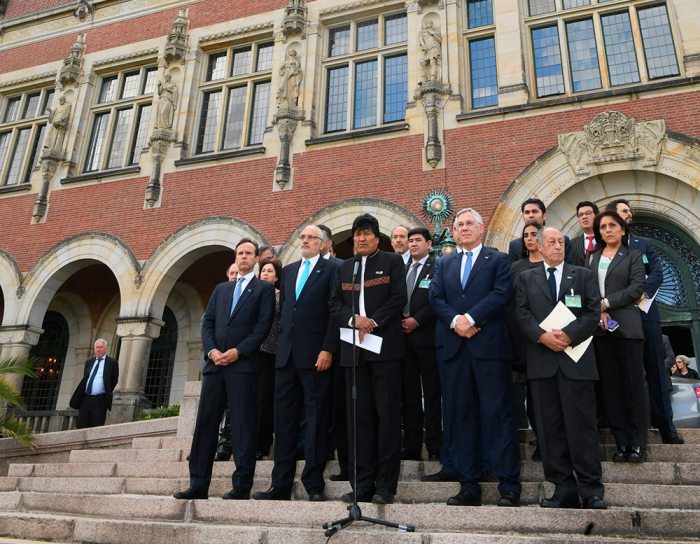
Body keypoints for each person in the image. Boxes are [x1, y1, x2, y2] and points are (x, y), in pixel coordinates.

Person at [429, 207, 521, 507]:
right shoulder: (444, 263)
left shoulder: (498, 259)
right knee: (460, 416)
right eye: (460, 225)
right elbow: (435, 298)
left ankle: (508, 485)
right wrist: (456, 321)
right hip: (454, 350)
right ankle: (468, 484)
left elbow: (501, 293)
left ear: (481, 229)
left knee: (498, 415)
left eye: (470, 223)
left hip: (489, 349)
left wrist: (470, 318)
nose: (464, 228)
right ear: (454, 232)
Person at [174, 239, 275, 500]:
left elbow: (262, 327)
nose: (244, 257)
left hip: (243, 367)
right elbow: (207, 323)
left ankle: (241, 486)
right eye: (240, 253)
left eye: (248, 253)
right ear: (235, 257)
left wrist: (238, 351)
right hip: (215, 366)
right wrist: (212, 351)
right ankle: (198, 484)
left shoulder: (263, 289)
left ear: (256, 259)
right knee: (206, 424)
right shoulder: (221, 289)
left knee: (242, 425)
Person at [515, 227, 606, 509]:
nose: (558, 246)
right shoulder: (526, 278)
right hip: (542, 364)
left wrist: (568, 335)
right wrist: (542, 336)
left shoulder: (584, 275)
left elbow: (593, 312)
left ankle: (591, 490)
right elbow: (521, 313)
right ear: (540, 247)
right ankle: (563, 488)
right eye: (552, 242)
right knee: (550, 429)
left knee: (582, 428)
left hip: (576, 362)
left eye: (561, 242)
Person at [254, 225, 339, 502]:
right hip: (286, 357)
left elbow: (334, 312)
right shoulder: (288, 271)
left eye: (311, 238)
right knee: (284, 422)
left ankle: (313, 483)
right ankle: (280, 484)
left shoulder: (333, 269)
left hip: (316, 357)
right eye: (303, 237)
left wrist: (328, 348)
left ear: (323, 244)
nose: (305, 241)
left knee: (315, 420)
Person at [329, 213, 407, 505]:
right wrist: (354, 320)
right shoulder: (344, 268)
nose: (361, 239)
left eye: (366, 234)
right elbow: (334, 303)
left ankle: (386, 486)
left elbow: (398, 298)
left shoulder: (392, 262)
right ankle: (362, 483)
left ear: (377, 237)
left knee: (387, 418)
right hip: (354, 353)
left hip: (385, 350)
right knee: (358, 420)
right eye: (357, 234)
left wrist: (371, 322)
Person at [607, 199, 683, 444]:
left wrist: (638, 294)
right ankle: (632, 428)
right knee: (625, 373)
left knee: (656, 370)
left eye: (629, 211)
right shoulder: (605, 250)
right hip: (620, 318)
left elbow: (657, 274)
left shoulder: (644, 244)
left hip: (646, 313)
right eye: (624, 211)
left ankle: (666, 427)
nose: (629, 214)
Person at [587, 211, 648, 463]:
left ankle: (638, 443)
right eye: (603, 227)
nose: (607, 230)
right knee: (610, 388)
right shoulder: (592, 258)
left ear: (622, 229)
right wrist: (598, 310)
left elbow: (636, 289)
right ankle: (621, 442)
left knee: (633, 386)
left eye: (612, 225)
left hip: (627, 329)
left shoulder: (633, 256)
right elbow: (588, 289)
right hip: (601, 330)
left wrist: (606, 303)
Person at [400, 227, 440, 461]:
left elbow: (437, 300)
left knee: (432, 394)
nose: (413, 244)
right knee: (410, 396)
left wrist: (417, 320)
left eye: (417, 240)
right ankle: (412, 448)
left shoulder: (437, 267)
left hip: (427, 339)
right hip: (404, 341)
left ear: (429, 244)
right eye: (411, 240)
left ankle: (434, 446)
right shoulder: (402, 268)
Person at [506, 222, 544, 448]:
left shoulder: (551, 265)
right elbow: (510, 302)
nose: (529, 238)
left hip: (549, 337)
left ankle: (545, 441)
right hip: (522, 338)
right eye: (526, 235)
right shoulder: (516, 267)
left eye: (534, 234)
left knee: (544, 395)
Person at [256, 258, 283, 460]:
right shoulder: (252, 294)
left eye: (269, 271)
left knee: (267, 399)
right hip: (252, 353)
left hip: (272, 353)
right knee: (255, 400)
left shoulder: (281, 296)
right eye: (263, 270)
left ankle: (265, 444)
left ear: (276, 277)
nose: (265, 273)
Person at [215, 261, 240, 462]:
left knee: (234, 407)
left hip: (241, 359)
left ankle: (227, 444)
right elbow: (207, 323)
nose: (235, 276)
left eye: (237, 273)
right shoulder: (220, 294)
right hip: (217, 360)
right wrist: (213, 351)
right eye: (232, 273)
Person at [70, 339, 119, 429]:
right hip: (86, 398)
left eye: (101, 347)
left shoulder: (112, 363)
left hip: (100, 400)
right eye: (97, 347)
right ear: (94, 349)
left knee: (96, 425)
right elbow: (86, 377)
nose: (98, 349)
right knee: (81, 424)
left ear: (105, 349)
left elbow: (114, 380)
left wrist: (104, 390)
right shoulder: (89, 362)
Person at [508, 198, 572, 264]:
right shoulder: (515, 245)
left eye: (534, 211)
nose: (531, 215)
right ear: (523, 217)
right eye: (527, 212)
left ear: (544, 216)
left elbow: (569, 267)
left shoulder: (562, 240)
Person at [570, 201, 599, 267]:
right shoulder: (571, 244)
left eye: (588, 213)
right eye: (580, 215)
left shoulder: (605, 239)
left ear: (597, 216)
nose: (584, 217)